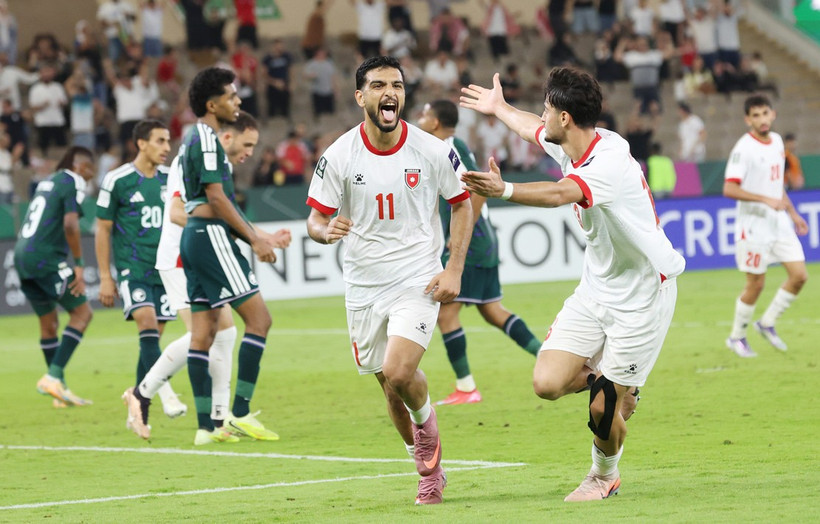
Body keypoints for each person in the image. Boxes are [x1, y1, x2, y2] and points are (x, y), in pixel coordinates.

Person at [459, 66, 685, 501]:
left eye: (546, 108)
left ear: (564, 117)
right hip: (596, 290)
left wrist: (504, 190)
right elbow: (530, 130)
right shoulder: (574, 142)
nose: (541, 115)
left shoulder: (609, 162)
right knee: (547, 383)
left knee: (603, 408)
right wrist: (499, 107)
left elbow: (560, 194)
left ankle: (603, 475)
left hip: (642, 297)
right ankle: (616, 383)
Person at [306, 56, 473, 505]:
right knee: (388, 384)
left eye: (397, 85)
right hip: (363, 286)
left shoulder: (433, 150)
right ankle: (426, 463)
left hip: (417, 278)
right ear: (361, 97)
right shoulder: (339, 154)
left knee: (400, 371)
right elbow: (315, 220)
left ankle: (427, 455)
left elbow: (462, 202)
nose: (390, 93)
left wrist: (453, 268)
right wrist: (326, 232)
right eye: (379, 85)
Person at [128, 111, 291, 443]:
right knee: (213, 333)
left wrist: (263, 236)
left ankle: (214, 422)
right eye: (247, 145)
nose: (250, 154)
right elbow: (177, 212)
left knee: (220, 334)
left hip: (195, 251)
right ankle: (144, 393)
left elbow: (227, 215)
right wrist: (214, 237)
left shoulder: (217, 164)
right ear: (227, 136)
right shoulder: (190, 160)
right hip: (181, 257)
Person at [168, 67, 282, 445]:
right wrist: (254, 240)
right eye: (232, 96)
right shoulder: (207, 138)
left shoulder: (193, 138)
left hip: (194, 238)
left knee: (203, 332)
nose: (238, 101)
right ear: (212, 103)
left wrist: (258, 236)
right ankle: (241, 412)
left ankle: (206, 428)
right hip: (210, 235)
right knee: (260, 320)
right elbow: (216, 198)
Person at [417, 99, 541, 405]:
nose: (420, 119)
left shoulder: (451, 146)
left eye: (424, 115)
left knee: (447, 314)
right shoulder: (440, 147)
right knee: (492, 311)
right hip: (481, 241)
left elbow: (478, 187)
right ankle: (550, 356)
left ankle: (466, 387)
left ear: (434, 122)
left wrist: (463, 233)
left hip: (472, 242)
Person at [95, 119, 187, 428]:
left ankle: (137, 406)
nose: (166, 147)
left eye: (168, 141)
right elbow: (102, 229)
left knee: (152, 340)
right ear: (141, 143)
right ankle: (167, 395)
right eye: (160, 141)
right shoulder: (117, 180)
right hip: (132, 269)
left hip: (163, 270)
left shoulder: (169, 179)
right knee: (146, 325)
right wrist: (106, 277)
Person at [723, 94, 809, 358]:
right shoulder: (743, 148)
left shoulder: (778, 142)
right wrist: (764, 199)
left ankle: (767, 323)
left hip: (779, 222)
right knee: (756, 284)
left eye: (765, 113)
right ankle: (736, 337)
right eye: (755, 115)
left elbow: (776, 185)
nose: (761, 119)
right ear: (748, 119)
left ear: (773, 114)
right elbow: (729, 188)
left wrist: (792, 213)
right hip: (753, 226)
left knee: (799, 276)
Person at [14, 146, 96, 407]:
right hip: (45, 257)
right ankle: (52, 376)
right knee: (83, 314)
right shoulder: (73, 180)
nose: (92, 177)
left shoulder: (48, 181)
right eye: (91, 171)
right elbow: (70, 224)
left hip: (21, 256)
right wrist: (80, 264)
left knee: (48, 324)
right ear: (81, 167)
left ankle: (57, 389)